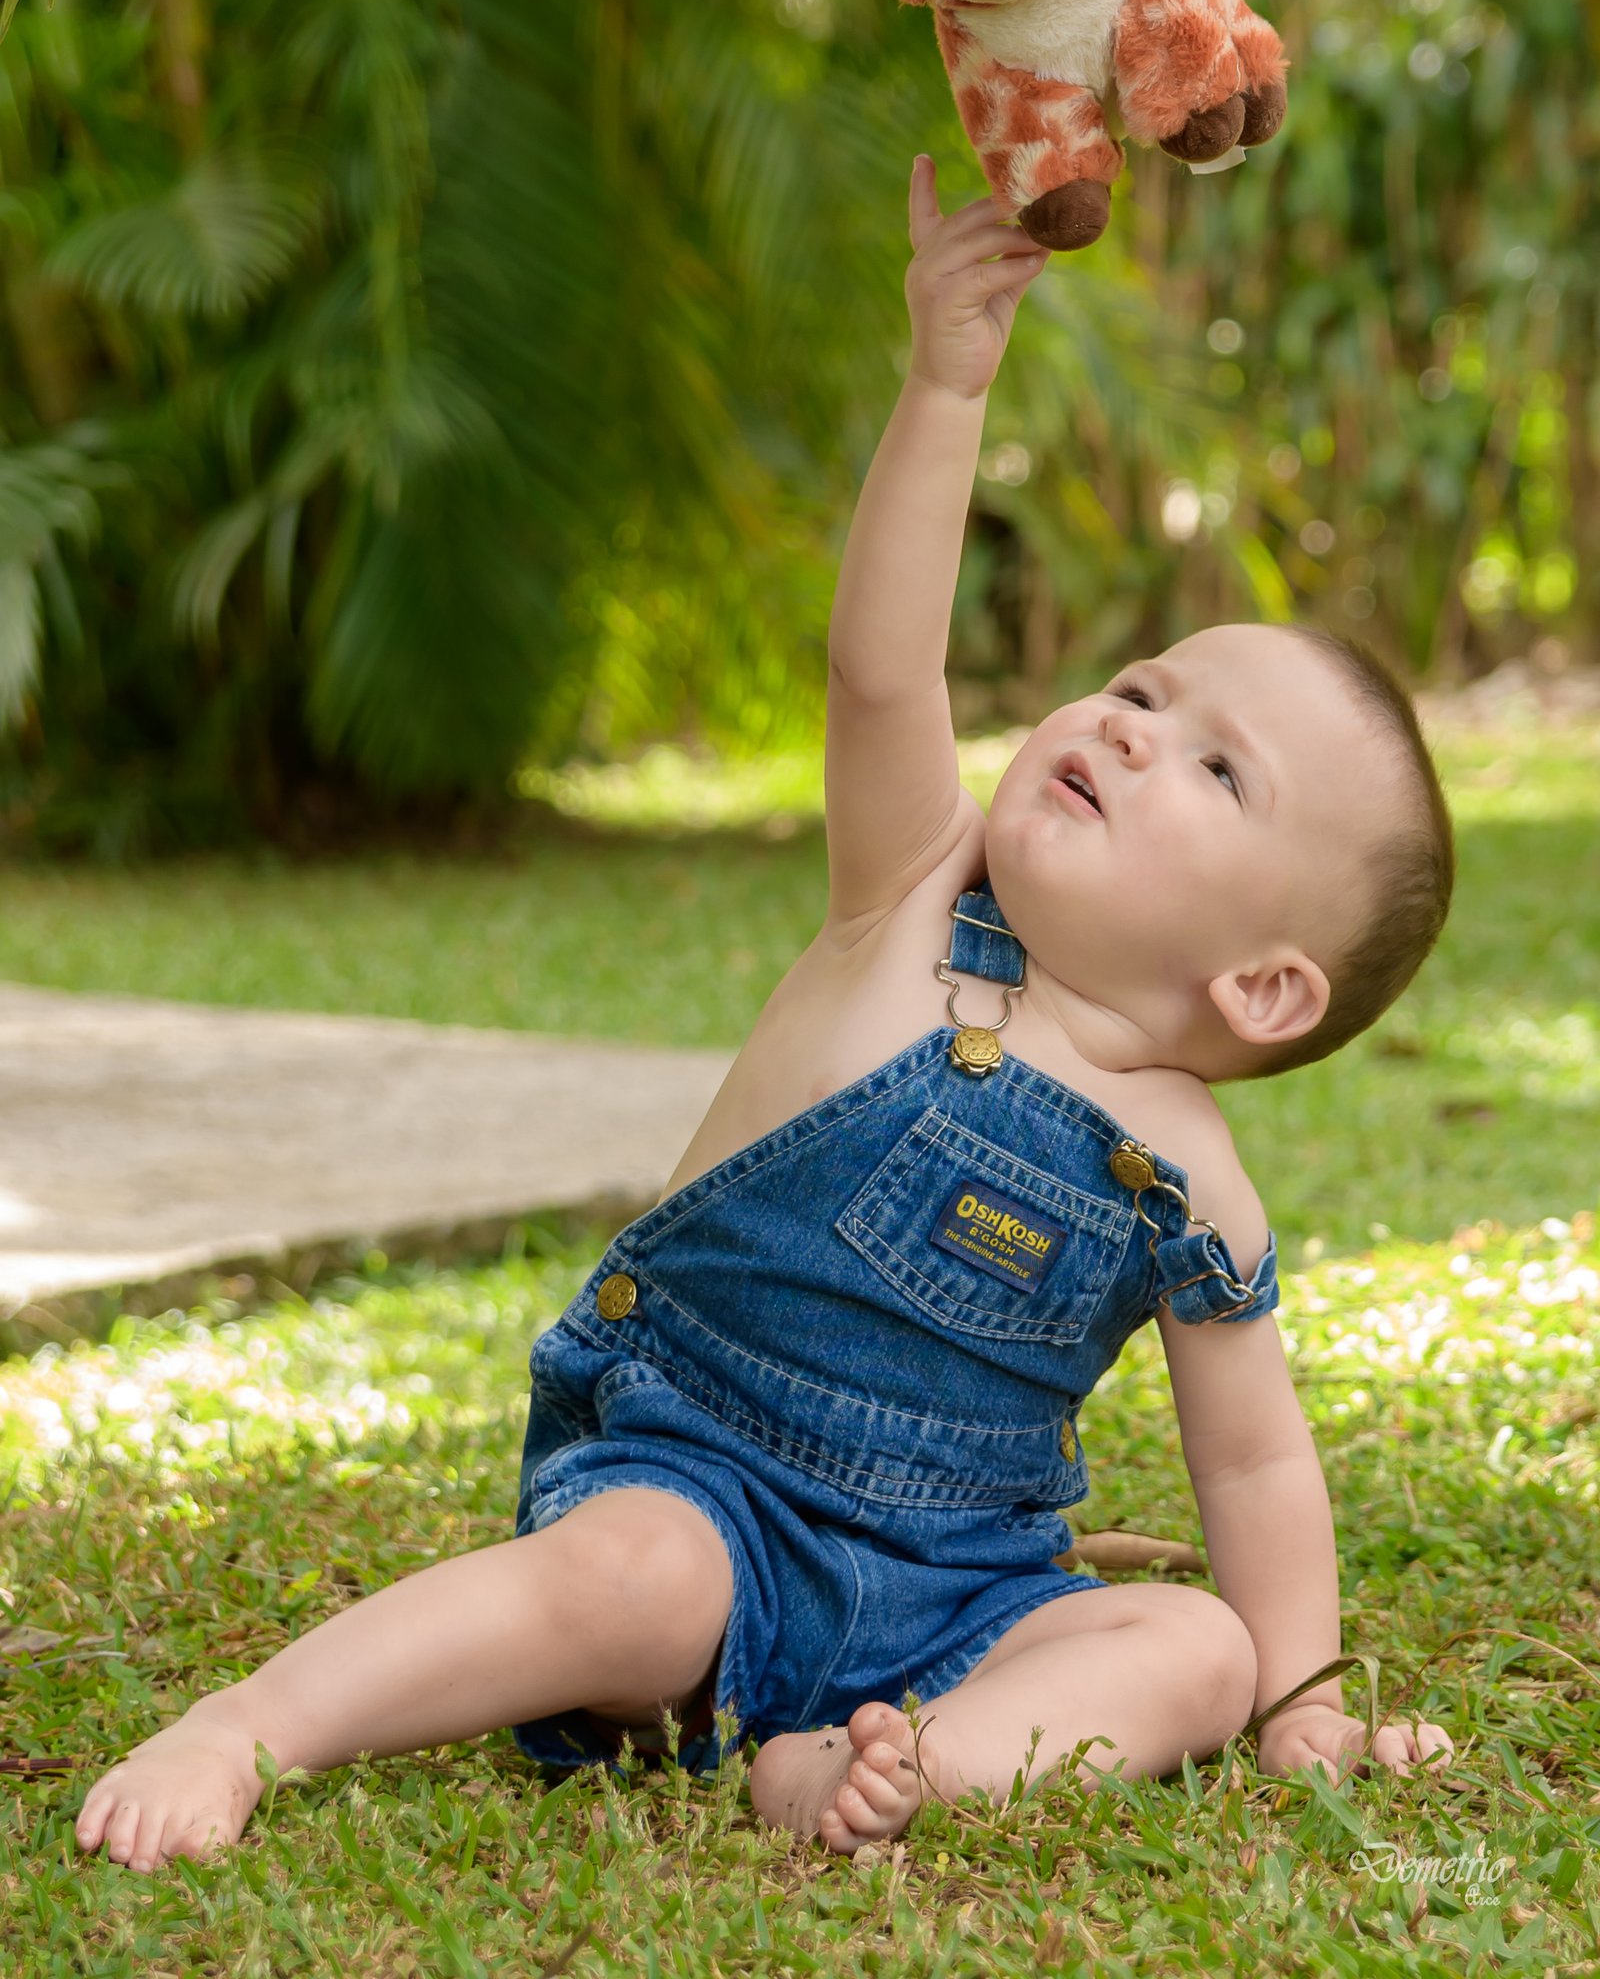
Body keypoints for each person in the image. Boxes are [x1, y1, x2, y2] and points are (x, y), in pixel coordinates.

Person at [76, 157, 1456, 1875]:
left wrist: (1302, 1701)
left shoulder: (1195, 1187)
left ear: (1263, 986)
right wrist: (947, 385)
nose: (1124, 726)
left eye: (1212, 766)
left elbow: (1252, 1476)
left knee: (1189, 1650)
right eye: (1141, 687)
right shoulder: (915, 901)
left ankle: (880, 1768)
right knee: (633, 1585)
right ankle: (247, 1727)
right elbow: (883, 671)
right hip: (692, 1485)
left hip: (967, 1588)